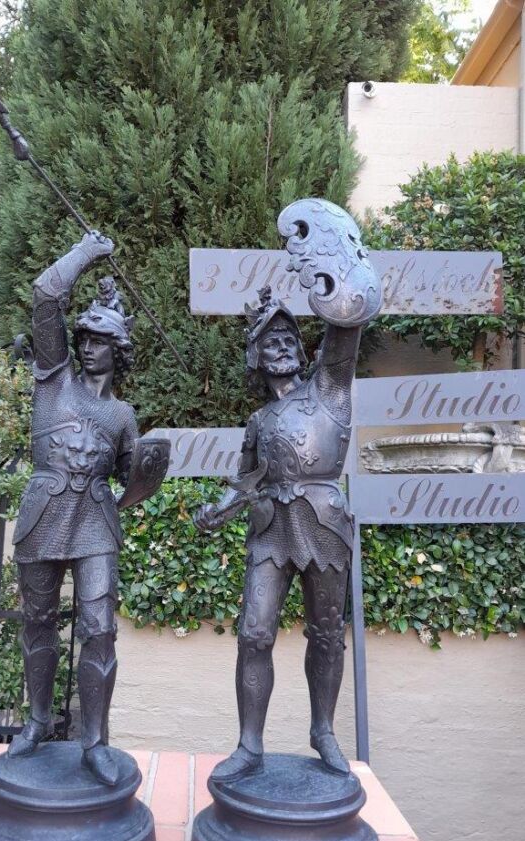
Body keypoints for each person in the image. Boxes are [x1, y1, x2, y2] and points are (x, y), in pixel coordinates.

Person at [194, 198, 381, 783]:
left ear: (301, 350)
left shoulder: (329, 388)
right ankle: (250, 744)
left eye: (287, 337)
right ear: (255, 355)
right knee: (254, 631)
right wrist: (222, 506)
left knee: (327, 633)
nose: (279, 345)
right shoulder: (256, 423)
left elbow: (346, 330)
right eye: (267, 340)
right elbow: (246, 481)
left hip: (323, 519)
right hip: (271, 527)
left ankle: (323, 731)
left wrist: (330, 264)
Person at [9, 230, 138, 786]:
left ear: (119, 351)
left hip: (95, 523)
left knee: (99, 629)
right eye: (83, 337)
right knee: (37, 622)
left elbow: (135, 478)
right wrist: (87, 252)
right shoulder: (52, 378)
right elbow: (45, 295)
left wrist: (142, 476)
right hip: (43, 515)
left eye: (99, 340)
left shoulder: (124, 416)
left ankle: (96, 742)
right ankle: (38, 722)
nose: (87, 345)